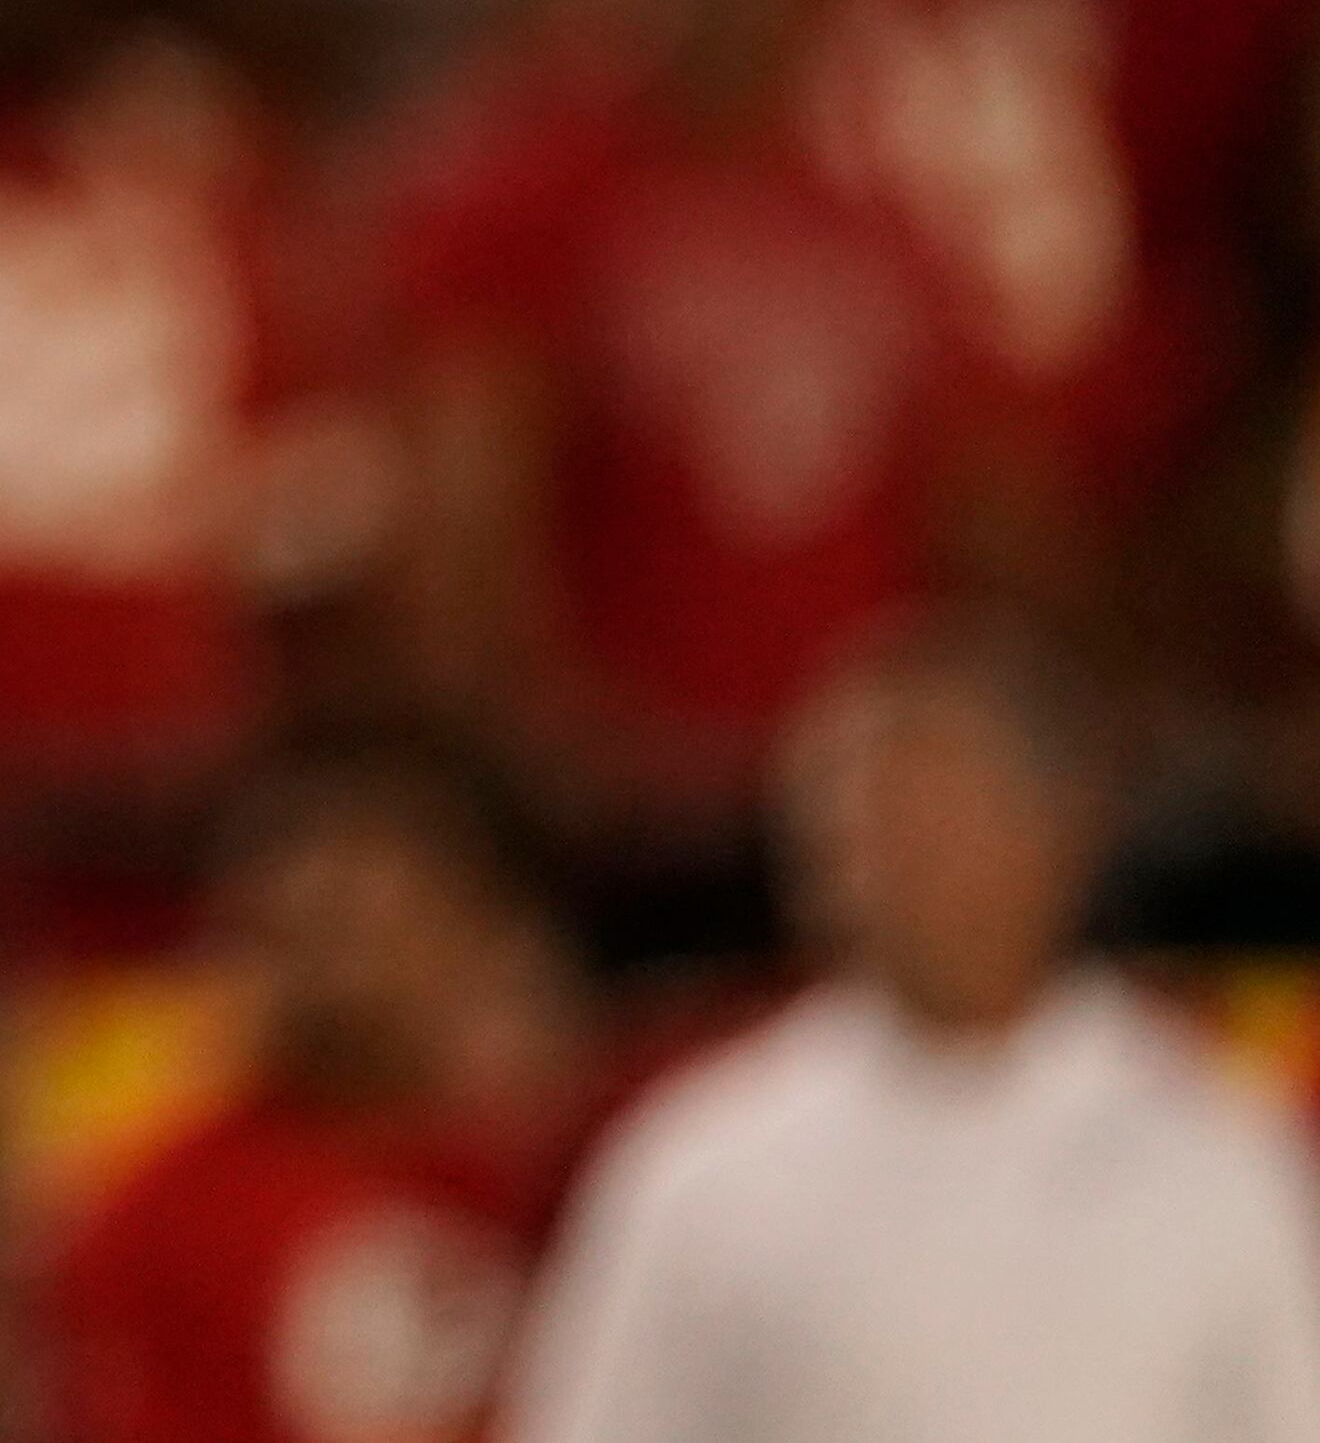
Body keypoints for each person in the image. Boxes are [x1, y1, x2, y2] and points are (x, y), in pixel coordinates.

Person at [504, 618, 1320, 1443]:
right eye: (858, 817)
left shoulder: (1220, 1151)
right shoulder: (701, 1169)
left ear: (1064, 830)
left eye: (939, 807)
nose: (893, 855)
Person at [36, 733, 591, 1443]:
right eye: (307, 933)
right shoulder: (153, 1216)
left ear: (479, 937)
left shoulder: (564, 1176)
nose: (343, 977)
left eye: (378, 932)